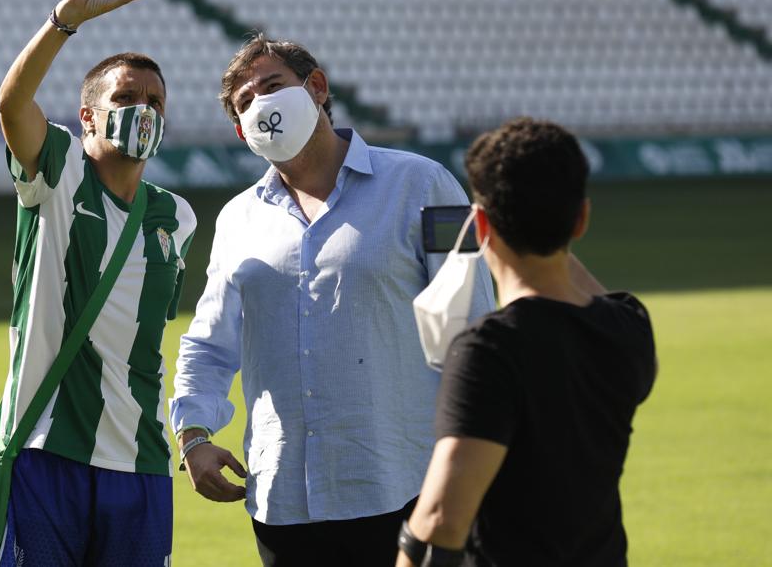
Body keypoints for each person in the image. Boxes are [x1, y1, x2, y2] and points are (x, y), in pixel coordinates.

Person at [171, 35, 496, 566]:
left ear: (316, 86)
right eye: (245, 103)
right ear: (239, 130)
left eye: (272, 86)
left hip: (406, 488)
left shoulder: (427, 183)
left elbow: (472, 329)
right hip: (283, 504)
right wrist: (193, 435)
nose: (261, 105)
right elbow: (209, 342)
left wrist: (474, 461)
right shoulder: (236, 219)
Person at [0, 0, 197, 566]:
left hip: (141, 463)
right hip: (47, 451)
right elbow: (12, 105)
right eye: (127, 97)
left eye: (155, 101)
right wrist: (66, 18)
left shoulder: (177, 217)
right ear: (88, 116)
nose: (144, 109)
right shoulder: (57, 173)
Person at [397, 118, 656, 567]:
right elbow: (585, 296)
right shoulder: (629, 327)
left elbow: (440, 519)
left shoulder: (489, 349)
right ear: (582, 218)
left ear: (480, 225)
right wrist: (548, 222)